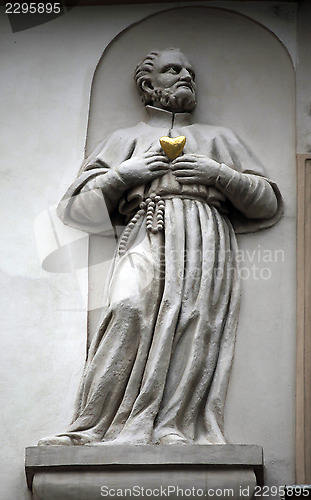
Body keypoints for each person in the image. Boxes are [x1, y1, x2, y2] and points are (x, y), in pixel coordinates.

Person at [39, 48, 282, 446]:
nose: (186, 75)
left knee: (194, 321)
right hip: (145, 230)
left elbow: (266, 202)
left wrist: (218, 173)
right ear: (149, 84)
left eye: (190, 70)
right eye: (174, 69)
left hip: (204, 235)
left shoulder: (219, 139)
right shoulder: (125, 139)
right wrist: (124, 174)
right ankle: (91, 427)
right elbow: (77, 209)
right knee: (127, 309)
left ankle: (172, 425)